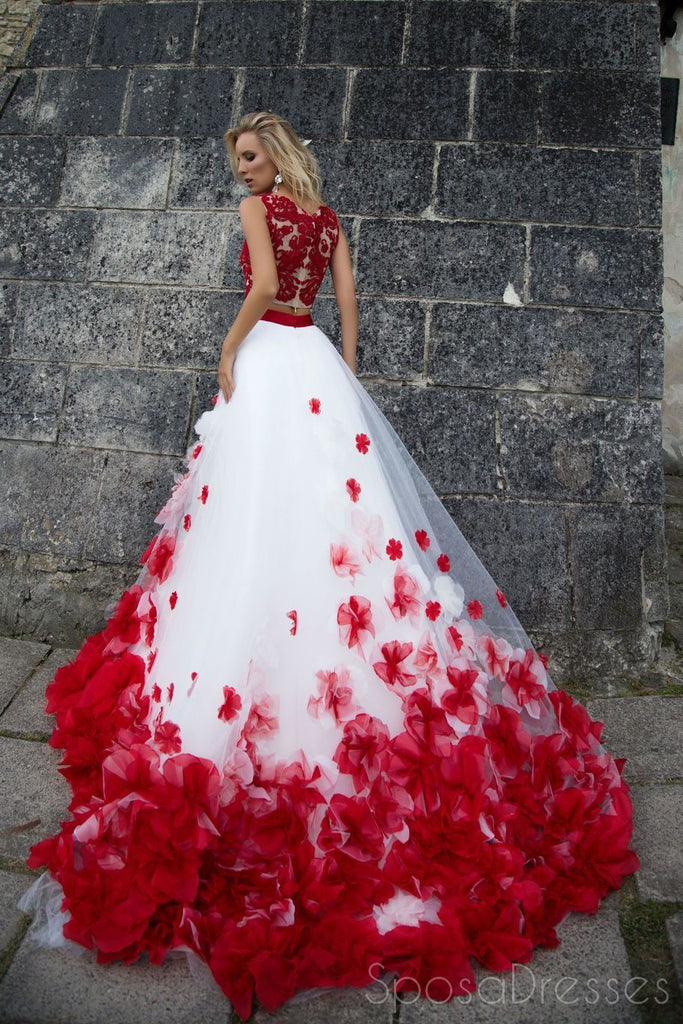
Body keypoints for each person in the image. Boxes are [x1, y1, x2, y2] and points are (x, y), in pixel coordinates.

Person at [16, 111, 640, 1020]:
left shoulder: (256, 212)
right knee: (338, 525)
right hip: (314, 361)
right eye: (239, 161)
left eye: (248, 156)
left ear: (272, 156)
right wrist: (343, 378)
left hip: (272, 354)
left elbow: (266, 286)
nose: (243, 170)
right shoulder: (332, 217)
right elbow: (345, 306)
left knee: (253, 517)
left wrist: (230, 349)